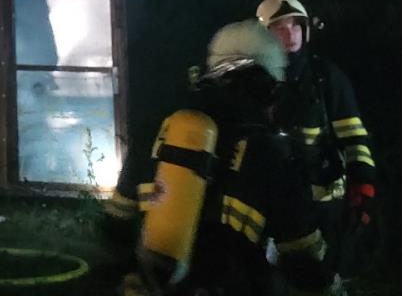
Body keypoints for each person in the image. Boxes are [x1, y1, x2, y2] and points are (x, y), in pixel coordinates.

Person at [123, 20, 334, 296]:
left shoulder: (158, 130)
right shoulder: (271, 154)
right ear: (268, 87)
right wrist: (332, 285)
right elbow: (302, 260)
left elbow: (115, 223)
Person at [256, 0, 376, 269]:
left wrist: (363, 185)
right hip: (269, 205)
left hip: (323, 206)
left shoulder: (326, 77)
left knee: (321, 275)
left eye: (296, 26)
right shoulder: (254, 83)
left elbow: (355, 139)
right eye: (280, 28)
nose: (290, 35)